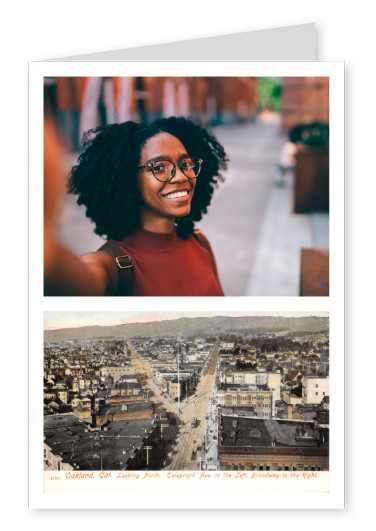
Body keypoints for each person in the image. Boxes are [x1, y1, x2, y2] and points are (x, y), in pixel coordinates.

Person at [46, 116, 228, 296]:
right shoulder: (111, 266)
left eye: (186, 163)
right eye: (159, 167)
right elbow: (70, 279)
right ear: (129, 181)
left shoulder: (200, 243)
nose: (181, 176)